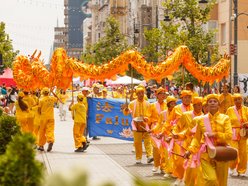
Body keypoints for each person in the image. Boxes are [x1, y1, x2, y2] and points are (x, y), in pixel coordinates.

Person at [184, 94, 232, 186]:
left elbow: (229, 136)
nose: (212, 103)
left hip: (221, 153)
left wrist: (215, 134)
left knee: (222, 182)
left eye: (215, 101)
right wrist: (190, 151)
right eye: (210, 102)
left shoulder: (225, 118)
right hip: (206, 154)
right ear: (206, 105)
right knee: (211, 180)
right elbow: (197, 139)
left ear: (218, 105)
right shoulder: (201, 120)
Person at [123, 86, 153, 164]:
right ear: (136, 94)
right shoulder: (132, 103)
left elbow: (150, 115)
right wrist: (126, 110)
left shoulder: (148, 103)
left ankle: (149, 156)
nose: (141, 94)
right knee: (137, 142)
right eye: (139, 93)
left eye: (142, 93)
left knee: (148, 141)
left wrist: (147, 118)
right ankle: (138, 157)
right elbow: (127, 112)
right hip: (136, 124)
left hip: (145, 124)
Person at [226, 94, 248, 176]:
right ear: (233, 101)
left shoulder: (246, 109)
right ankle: (231, 167)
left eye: (239, 99)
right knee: (234, 151)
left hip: (244, 133)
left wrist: (246, 123)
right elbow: (226, 121)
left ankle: (241, 170)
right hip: (233, 132)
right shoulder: (230, 110)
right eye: (235, 99)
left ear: (242, 100)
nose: (237, 101)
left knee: (243, 152)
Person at [149, 87, 168, 173]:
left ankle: (163, 167)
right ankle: (156, 165)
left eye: (164, 93)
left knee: (164, 148)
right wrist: (147, 120)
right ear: (157, 95)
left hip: (165, 128)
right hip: (155, 127)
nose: (163, 95)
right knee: (156, 147)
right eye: (161, 93)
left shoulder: (167, 104)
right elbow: (148, 116)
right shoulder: (152, 105)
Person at [37, 87, 59, 152]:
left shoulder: (41, 100)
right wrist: (53, 92)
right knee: (50, 130)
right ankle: (50, 141)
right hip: (51, 117)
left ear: (43, 93)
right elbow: (57, 98)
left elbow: (39, 109)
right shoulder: (52, 98)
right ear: (48, 92)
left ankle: (41, 145)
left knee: (42, 131)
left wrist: (39, 114)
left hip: (43, 117)